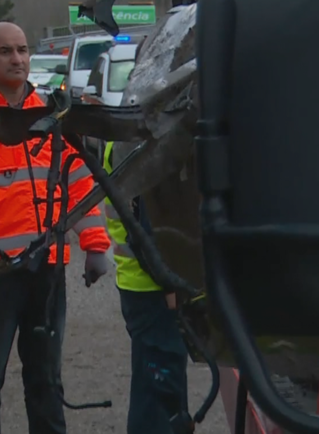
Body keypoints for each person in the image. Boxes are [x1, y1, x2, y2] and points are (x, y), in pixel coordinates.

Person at [0, 21, 112, 434]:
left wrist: (95, 243)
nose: (18, 59)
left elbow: (78, 182)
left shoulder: (52, 117)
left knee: (46, 380)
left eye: (23, 50)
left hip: (47, 269)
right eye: (7, 51)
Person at [102, 139, 190, 434]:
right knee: (159, 389)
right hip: (153, 287)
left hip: (146, 283)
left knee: (159, 383)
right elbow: (144, 226)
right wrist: (169, 284)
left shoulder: (130, 135)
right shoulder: (137, 141)